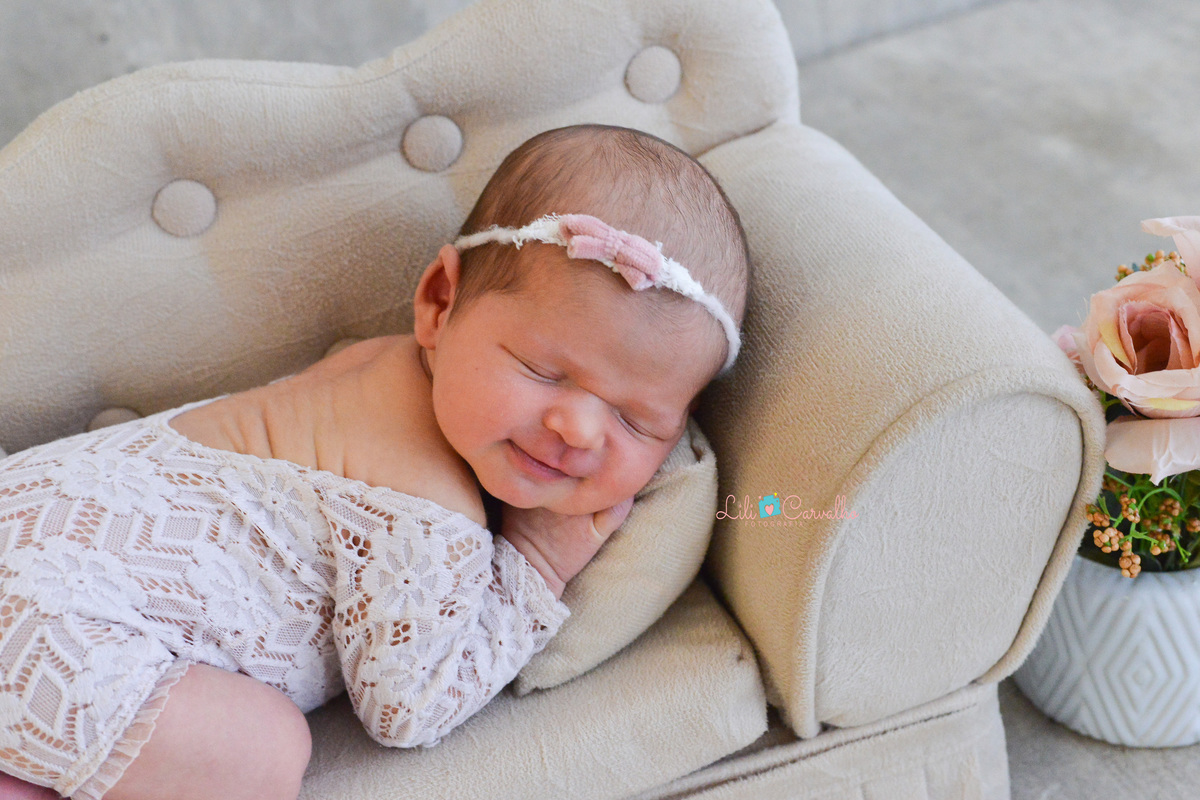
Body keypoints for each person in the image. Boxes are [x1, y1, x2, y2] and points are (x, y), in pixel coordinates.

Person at [0, 123, 749, 800]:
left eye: (634, 419)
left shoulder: (370, 370)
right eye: (544, 371)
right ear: (438, 302)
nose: (577, 429)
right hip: (58, 621)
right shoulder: (424, 505)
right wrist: (535, 566)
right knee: (261, 752)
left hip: (32, 525)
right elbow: (405, 708)